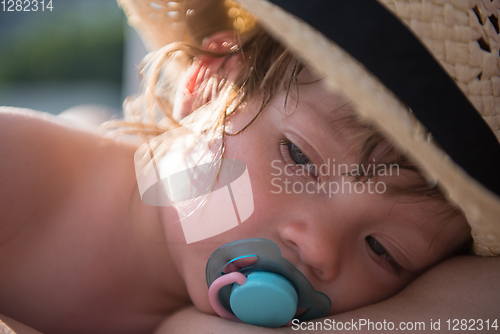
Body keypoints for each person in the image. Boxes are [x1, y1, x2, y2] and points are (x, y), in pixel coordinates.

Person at [0, 1, 499, 334]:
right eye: (299, 157)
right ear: (210, 82)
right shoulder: (21, 173)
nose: (319, 248)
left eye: (383, 250)